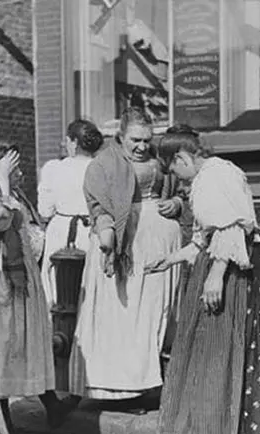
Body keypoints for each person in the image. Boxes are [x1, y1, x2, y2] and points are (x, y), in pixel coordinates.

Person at [146, 125, 260, 434]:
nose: (177, 180)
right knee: (223, 357)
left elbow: (231, 229)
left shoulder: (213, 176)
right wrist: (171, 258)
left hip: (234, 272)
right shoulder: (217, 174)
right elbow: (206, 237)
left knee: (223, 357)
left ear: (182, 158)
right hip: (230, 264)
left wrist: (215, 276)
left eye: (175, 169)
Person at [70, 107, 183, 406]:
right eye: (136, 139)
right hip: (124, 246)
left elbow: (182, 187)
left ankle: (153, 382)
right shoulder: (103, 164)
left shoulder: (161, 160)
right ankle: (119, 385)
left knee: (155, 312)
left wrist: (176, 202)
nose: (142, 146)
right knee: (126, 313)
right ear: (120, 137)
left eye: (147, 139)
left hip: (160, 247)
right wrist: (107, 233)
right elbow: (98, 205)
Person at [0, 142, 68, 434]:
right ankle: (4, 423)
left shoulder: (13, 193)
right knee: (2, 345)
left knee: (24, 343)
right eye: (13, 168)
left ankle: (52, 406)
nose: (19, 172)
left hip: (20, 276)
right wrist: (3, 180)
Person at [38, 119, 104, 306]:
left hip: (61, 230)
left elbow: (44, 210)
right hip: (94, 230)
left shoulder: (54, 168)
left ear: (73, 142)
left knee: (57, 281)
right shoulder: (102, 168)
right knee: (90, 281)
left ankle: (58, 323)